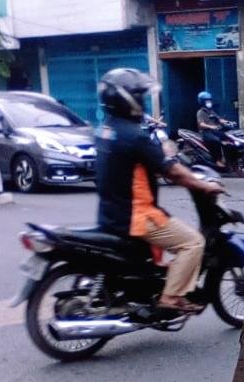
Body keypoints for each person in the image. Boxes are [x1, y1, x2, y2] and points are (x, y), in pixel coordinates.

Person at [96, 69, 225, 314]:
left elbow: (128, 166)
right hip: (137, 215)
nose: (143, 101)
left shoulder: (106, 130)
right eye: (139, 96)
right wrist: (206, 185)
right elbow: (174, 173)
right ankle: (170, 298)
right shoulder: (135, 137)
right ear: (127, 99)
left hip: (111, 212)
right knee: (193, 243)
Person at [196, 91, 226, 169]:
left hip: (214, 131)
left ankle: (227, 158)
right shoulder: (200, 112)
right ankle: (217, 160)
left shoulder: (211, 112)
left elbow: (219, 119)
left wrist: (228, 122)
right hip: (205, 133)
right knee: (216, 141)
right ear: (203, 102)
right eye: (207, 101)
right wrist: (211, 127)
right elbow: (201, 124)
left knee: (227, 138)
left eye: (210, 100)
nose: (209, 102)